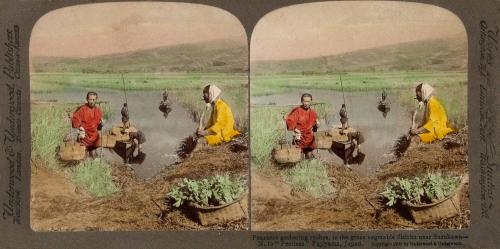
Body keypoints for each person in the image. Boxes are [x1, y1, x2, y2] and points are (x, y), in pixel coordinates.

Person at [194, 84, 241, 149]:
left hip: (223, 135)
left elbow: (219, 125)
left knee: (200, 141)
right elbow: (210, 124)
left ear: (211, 94)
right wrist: (202, 130)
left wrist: (204, 132)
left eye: (205, 94)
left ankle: (190, 158)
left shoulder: (221, 106)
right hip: (218, 133)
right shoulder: (215, 106)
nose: (203, 96)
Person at [285, 93, 319, 159]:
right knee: (298, 158)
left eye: (308, 101)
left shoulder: (313, 113)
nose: (306, 103)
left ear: (311, 101)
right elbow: (289, 121)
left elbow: (315, 128)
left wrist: (317, 125)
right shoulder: (297, 111)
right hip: (299, 138)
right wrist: (295, 129)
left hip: (309, 139)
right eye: (304, 101)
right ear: (301, 101)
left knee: (309, 157)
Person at [72, 91, 103, 158]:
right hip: (84, 136)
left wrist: (101, 124)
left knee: (93, 156)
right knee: (84, 156)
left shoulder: (98, 110)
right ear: (87, 99)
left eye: (93, 100)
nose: (92, 101)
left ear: (96, 99)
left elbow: (99, 126)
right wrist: (80, 127)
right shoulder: (82, 109)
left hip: (94, 137)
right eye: (90, 99)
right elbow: (75, 120)